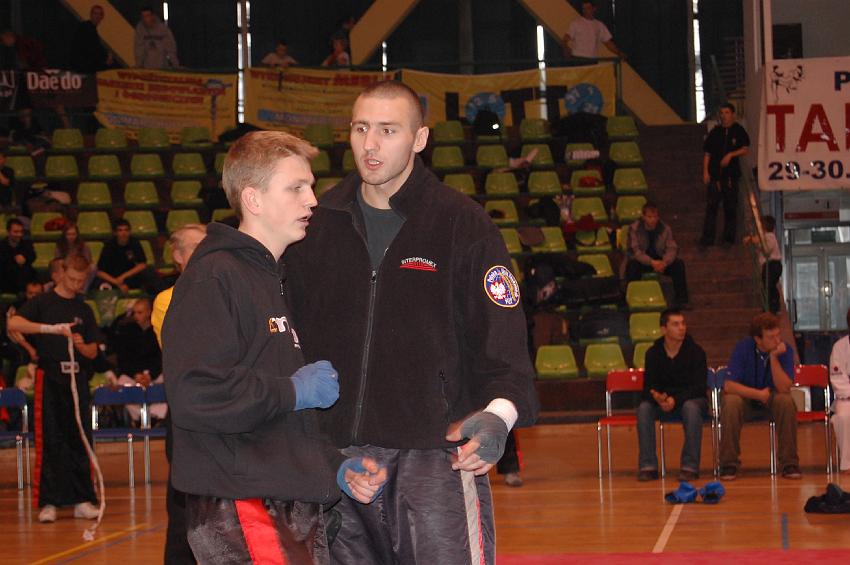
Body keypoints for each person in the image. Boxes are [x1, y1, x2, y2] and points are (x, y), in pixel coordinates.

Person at [285, 81, 539, 564]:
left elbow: (504, 342)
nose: (370, 144)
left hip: (436, 460)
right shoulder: (315, 224)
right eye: (361, 128)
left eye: (388, 130)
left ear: (419, 139)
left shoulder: (462, 224)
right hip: (335, 461)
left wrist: (500, 414)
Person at [162, 131, 388, 564]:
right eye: (295, 187)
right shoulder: (214, 278)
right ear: (253, 198)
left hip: (281, 500)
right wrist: (293, 390)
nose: (312, 200)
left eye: (311, 186)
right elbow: (196, 394)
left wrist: (332, 464)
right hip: (244, 505)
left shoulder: (272, 279)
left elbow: (279, 418)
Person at [7, 256, 101, 523]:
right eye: (72, 278)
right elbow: (14, 324)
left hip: (77, 380)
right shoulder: (43, 302)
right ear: (61, 273)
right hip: (50, 378)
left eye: (81, 281)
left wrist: (82, 346)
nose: (76, 284)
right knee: (50, 438)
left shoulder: (84, 309)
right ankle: (49, 502)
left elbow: (93, 351)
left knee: (80, 438)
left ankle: (82, 499)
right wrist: (50, 329)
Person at [151, 223, 206, 565]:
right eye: (196, 246)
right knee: (184, 504)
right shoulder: (166, 300)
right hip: (187, 414)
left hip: (224, 411)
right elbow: (189, 354)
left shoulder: (225, 289)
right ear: (178, 256)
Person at [719, 312, 800, 480]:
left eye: (778, 335)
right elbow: (729, 385)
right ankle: (729, 464)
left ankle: (789, 463)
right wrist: (758, 395)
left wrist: (774, 358)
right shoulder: (743, 348)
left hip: (773, 397)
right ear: (758, 339)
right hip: (746, 398)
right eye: (771, 337)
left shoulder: (784, 350)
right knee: (731, 402)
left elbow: (784, 388)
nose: (777, 340)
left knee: (786, 402)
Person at [636, 309, 708, 481]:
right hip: (662, 402)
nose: (681, 328)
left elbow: (698, 387)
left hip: (690, 400)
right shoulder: (653, 353)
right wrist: (656, 397)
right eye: (676, 324)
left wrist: (675, 400)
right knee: (644, 408)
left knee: (691, 408)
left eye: (683, 324)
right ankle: (648, 466)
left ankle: (689, 467)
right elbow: (648, 386)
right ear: (664, 329)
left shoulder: (696, 352)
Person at [700, 102, 750, 249]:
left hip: (730, 176)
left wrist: (731, 155)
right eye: (722, 113)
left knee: (730, 207)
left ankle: (728, 239)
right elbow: (707, 153)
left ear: (733, 114)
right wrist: (705, 171)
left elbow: (745, 149)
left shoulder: (738, 130)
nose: (724, 116)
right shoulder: (715, 132)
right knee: (712, 207)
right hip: (715, 175)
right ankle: (708, 238)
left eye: (727, 113)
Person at [624, 202, 690, 309]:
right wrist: (651, 262)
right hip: (642, 260)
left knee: (678, 265)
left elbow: (672, 248)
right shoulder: (634, 228)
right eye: (649, 217)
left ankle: (682, 300)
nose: (653, 220)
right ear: (643, 217)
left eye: (655, 217)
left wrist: (665, 262)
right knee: (632, 266)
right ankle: (632, 298)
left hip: (660, 259)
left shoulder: (665, 228)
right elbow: (635, 251)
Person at [111, 297, 163, 424]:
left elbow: (161, 358)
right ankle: (139, 418)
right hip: (133, 374)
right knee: (122, 384)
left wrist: (150, 375)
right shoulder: (126, 331)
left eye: (140, 312)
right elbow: (123, 359)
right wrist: (136, 375)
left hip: (154, 373)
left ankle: (156, 418)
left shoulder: (159, 330)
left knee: (168, 383)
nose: (136, 316)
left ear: (149, 312)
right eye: (134, 312)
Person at [96, 218, 160, 295]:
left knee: (149, 271)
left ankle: (162, 297)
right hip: (112, 279)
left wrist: (123, 278)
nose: (124, 233)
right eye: (120, 230)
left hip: (129, 278)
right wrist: (117, 282)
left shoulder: (134, 242)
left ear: (129, 232)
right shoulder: (109, 246)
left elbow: (142, 265)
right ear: (115, 233)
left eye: (126, 230)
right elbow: (99, 272)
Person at [744, 215, 782, 314]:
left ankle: (772, 306)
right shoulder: (767, 237)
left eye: (760, 225)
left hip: (772, 265)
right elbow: (758, 240)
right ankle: (771, 306)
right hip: (772, 265)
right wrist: (751, 239)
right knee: (768, 285)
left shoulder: (769, 236)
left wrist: (754, 241)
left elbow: (766, 249)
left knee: (768, 285)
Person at [829, 309, 850, 475]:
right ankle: (847, 463)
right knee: (843, 417)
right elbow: (838, 379)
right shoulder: (840, 347)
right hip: (846, 398)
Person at [70, 4, 113, 73]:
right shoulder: (86, 28)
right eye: (95, 13)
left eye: (99, 14)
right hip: (82, 68)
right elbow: (92, 49)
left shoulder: (90, 28)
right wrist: (106, 58)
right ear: (91, 15)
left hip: (84, 67)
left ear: (102, 17)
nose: (97, 16)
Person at [55, 222, 95, 292]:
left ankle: (82, 290)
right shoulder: (60, 245)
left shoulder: (84, 245)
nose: (71, 236)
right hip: (66, 267)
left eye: (73, 234)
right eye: (68, 234)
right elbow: (58, 261)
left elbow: (88, 261)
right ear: (64, 235)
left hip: (80, 267)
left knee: (93, 267)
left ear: (77, 234)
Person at [0, 217, 36, 294]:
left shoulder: (26, 243)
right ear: (8, 232)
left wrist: (25, 258)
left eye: (21, 232)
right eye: (16, 232)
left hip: (24, 277)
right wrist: (15, 260)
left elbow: (32, 256)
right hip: (6, 279)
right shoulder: (2, 245)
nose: (19, 234)